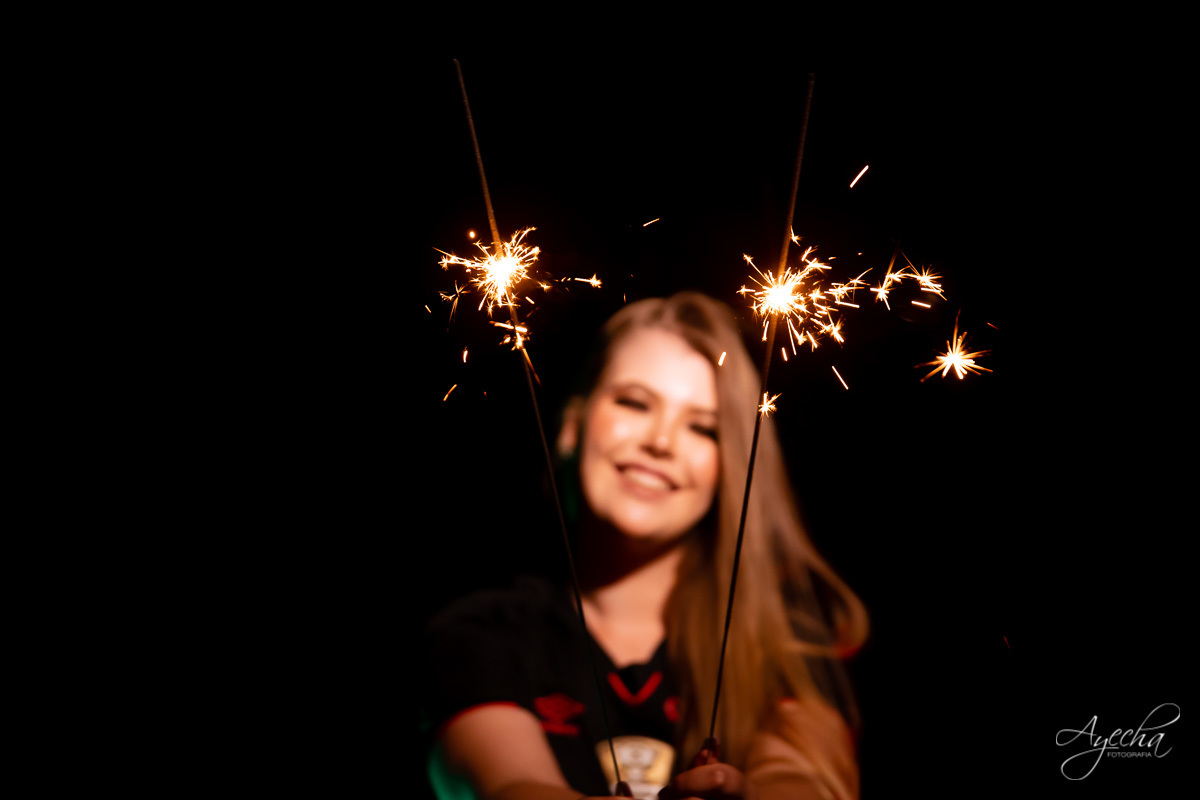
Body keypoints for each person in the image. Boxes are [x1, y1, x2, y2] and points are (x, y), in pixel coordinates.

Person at [427, 293, 868, 800]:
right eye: (634, 402)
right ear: (573, 424)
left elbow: (800, 778)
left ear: (733, 469)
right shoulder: (483, 632)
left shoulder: (788, 640)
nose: (661, 442)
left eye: (703, 427)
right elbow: (509, 785)